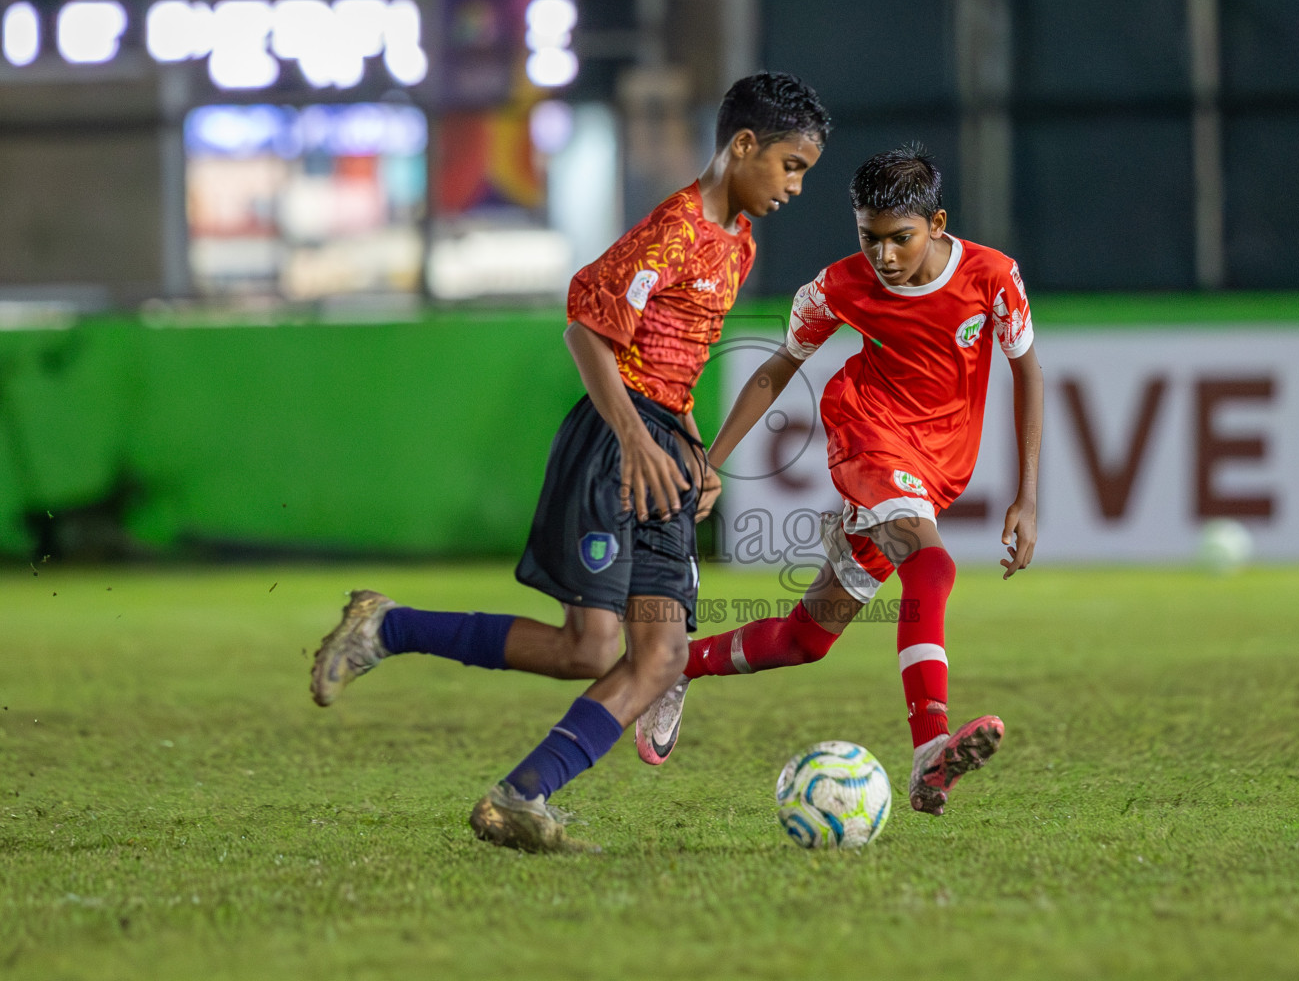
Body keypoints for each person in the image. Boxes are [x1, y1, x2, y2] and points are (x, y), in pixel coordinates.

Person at [308, 72, 829, 852]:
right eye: (790, 164)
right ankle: (388, 628)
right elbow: (586, 330)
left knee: (659, 658)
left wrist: (695, 448)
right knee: (586, 647)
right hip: (614, 446)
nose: (794, 185)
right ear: (743, 145)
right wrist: (631, 435)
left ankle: (521, 796)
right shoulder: (675, 229)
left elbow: (672, 362)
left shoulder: (739, 244)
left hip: (663, 450)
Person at [635, 143, 1043, 818]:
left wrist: (1027, 496)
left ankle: (672, 667)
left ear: (936, 224)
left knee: (807, 639)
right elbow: (777, 368)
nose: (882, 256)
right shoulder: (836, 288)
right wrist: (711, 464)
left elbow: (1026, 371)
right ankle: (929, 748)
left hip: (938, 467)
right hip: (868, 438)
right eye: (868, 237)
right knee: (930, 564)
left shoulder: (993, 278)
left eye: (899, 240)